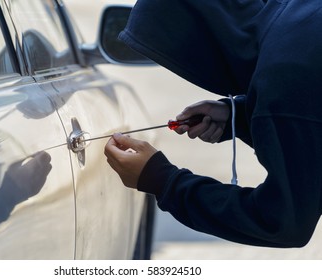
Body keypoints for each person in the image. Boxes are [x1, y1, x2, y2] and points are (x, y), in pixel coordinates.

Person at [104, 0, 322, 248]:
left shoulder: (287, 72)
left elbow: (283, 222)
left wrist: (162, 180)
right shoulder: (301, 16)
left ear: (205, 39)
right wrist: (240, 115)